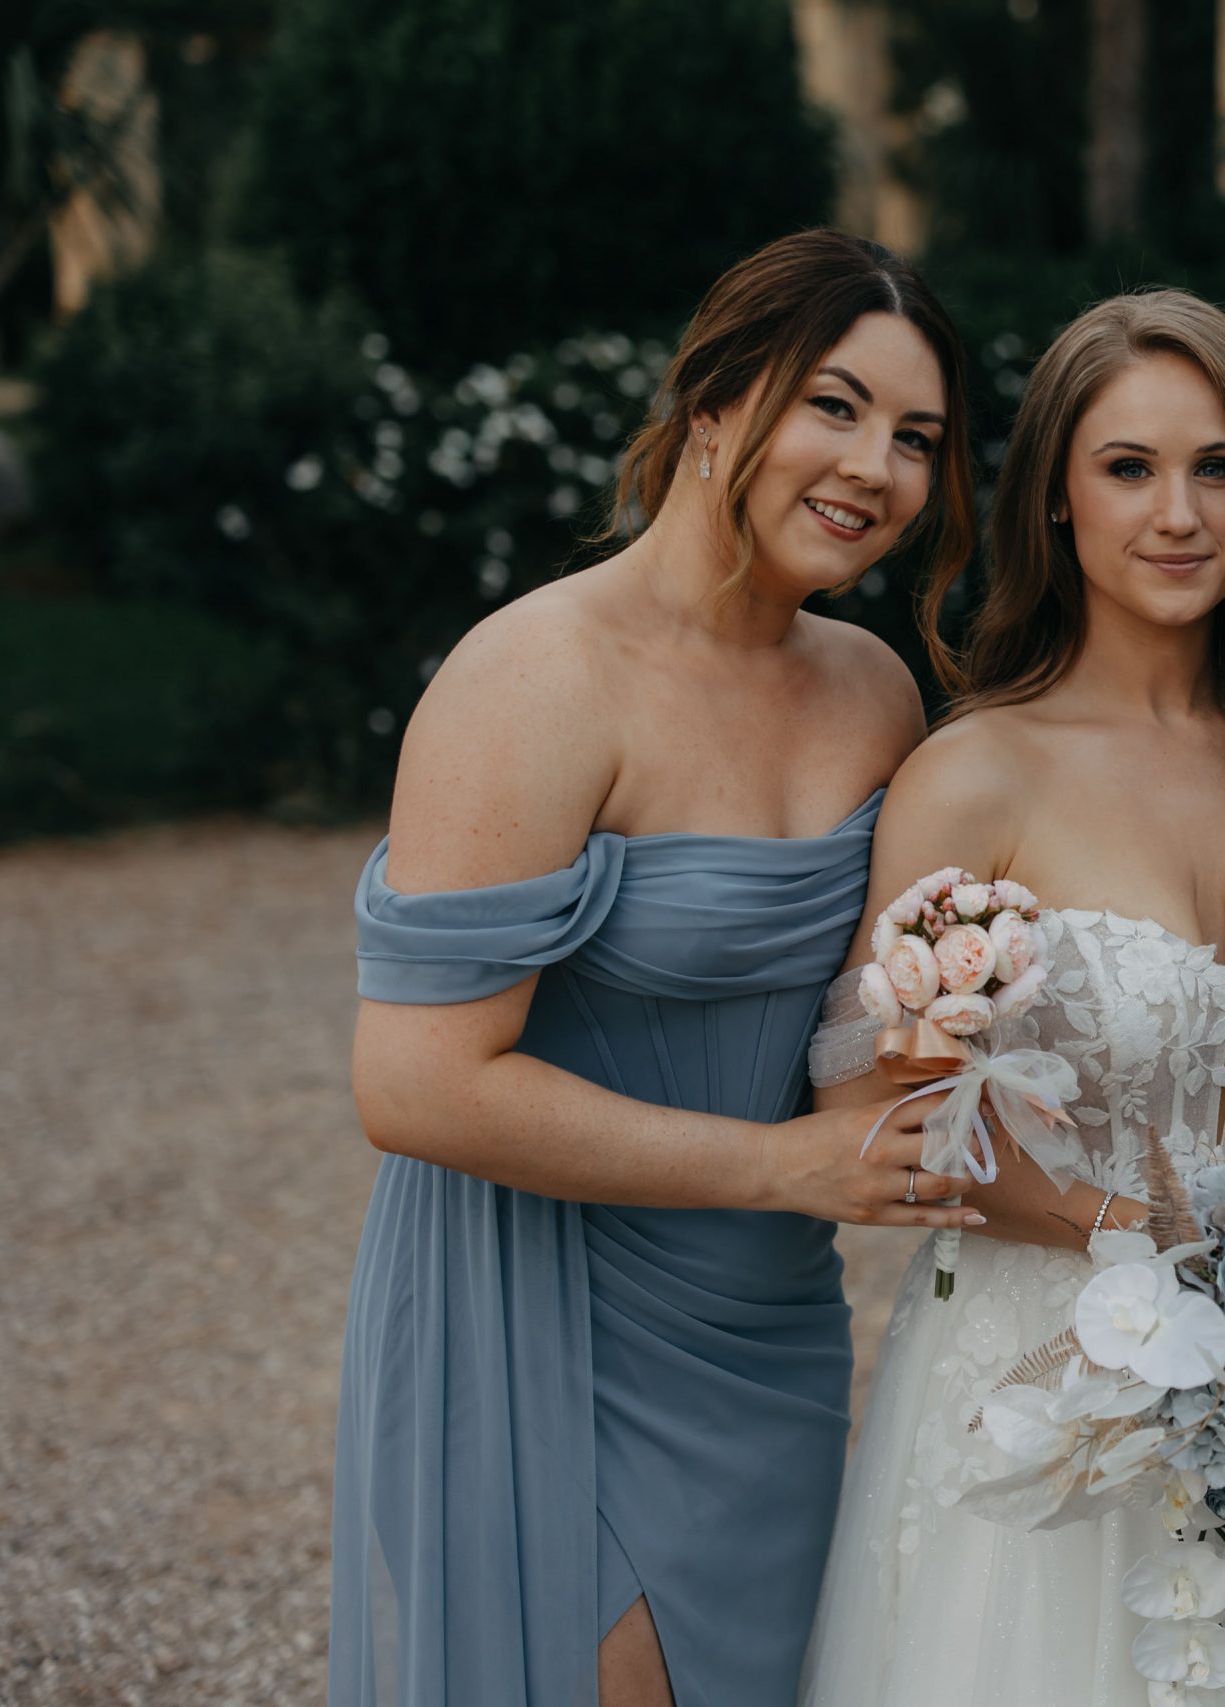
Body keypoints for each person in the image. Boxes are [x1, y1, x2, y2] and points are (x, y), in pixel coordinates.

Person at [335, 229, 983, 1707]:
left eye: (915, 437)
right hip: (539, 1315)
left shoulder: (875, 690)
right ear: (711, 404)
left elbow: (857, 1040)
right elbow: (414, 1085)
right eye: (833, 405)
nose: (875, 467)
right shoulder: (535, 677)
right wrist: (781, 1167)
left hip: (768, 1325)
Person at [801, 288, 1225, 1704]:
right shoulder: (975, 775)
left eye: (1220, 468)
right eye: (1129, 469)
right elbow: (869, 1115)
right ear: (1055, 500)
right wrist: (1137, 1234)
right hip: (1044, 1376)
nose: (1180, 514)